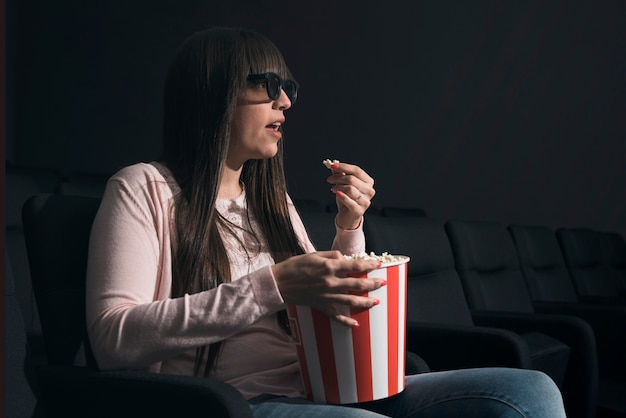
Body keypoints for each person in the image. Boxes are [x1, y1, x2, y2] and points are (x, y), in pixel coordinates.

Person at [85, 27, 566, 417]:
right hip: (230, 403)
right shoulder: (143, 188)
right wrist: (270, 285)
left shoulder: (269, 201)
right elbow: (113, 339)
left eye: (288, 89)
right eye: (267, 86)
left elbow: (329, 310)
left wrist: (349, 228)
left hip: (323, 388)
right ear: (212, 94)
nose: (286, 103)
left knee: (530, 391)